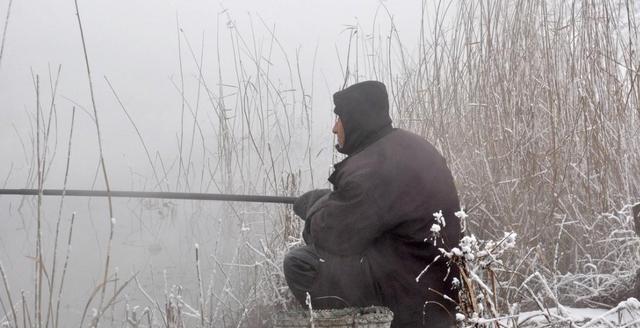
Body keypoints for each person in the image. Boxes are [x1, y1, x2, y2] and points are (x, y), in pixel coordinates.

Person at [283, 80, 462, 328]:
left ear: (356, 119)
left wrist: (314, 207)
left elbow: (329, 237)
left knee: (299, 263)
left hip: (413, 293)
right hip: (438, 280)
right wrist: (329, 199)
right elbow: (378, 207)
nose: (335, 129)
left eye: (339, 118)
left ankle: (350, 323)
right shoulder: (409, 146)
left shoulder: (371, 168)